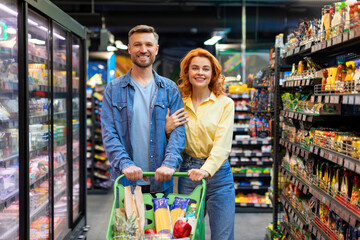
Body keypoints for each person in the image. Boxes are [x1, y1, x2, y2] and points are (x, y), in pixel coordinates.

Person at [101, 25, 185, 195]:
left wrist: (169, 164)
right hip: (126, 181)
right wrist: (126, 164)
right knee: (128, 222)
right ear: (129, 49)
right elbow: (109, 133)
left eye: (148, 44)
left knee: (161, 222)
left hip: (161, 180)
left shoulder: (169, 89)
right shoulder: (114, 89)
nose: (143, 49)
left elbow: (179, 132)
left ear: (156, 49)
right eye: (137, 45)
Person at [165, 48, 235, 240]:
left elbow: (222, 145)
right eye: (195, 68)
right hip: (188, 175)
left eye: (205, 68)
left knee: (223, 235)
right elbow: (172, 144)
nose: (200, 73)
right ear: (187, 71)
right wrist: (167, 129)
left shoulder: (225, 104)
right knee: (187, 234)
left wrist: (206, 170)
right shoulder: (178, 103)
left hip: (219, 175)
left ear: (213, 73)